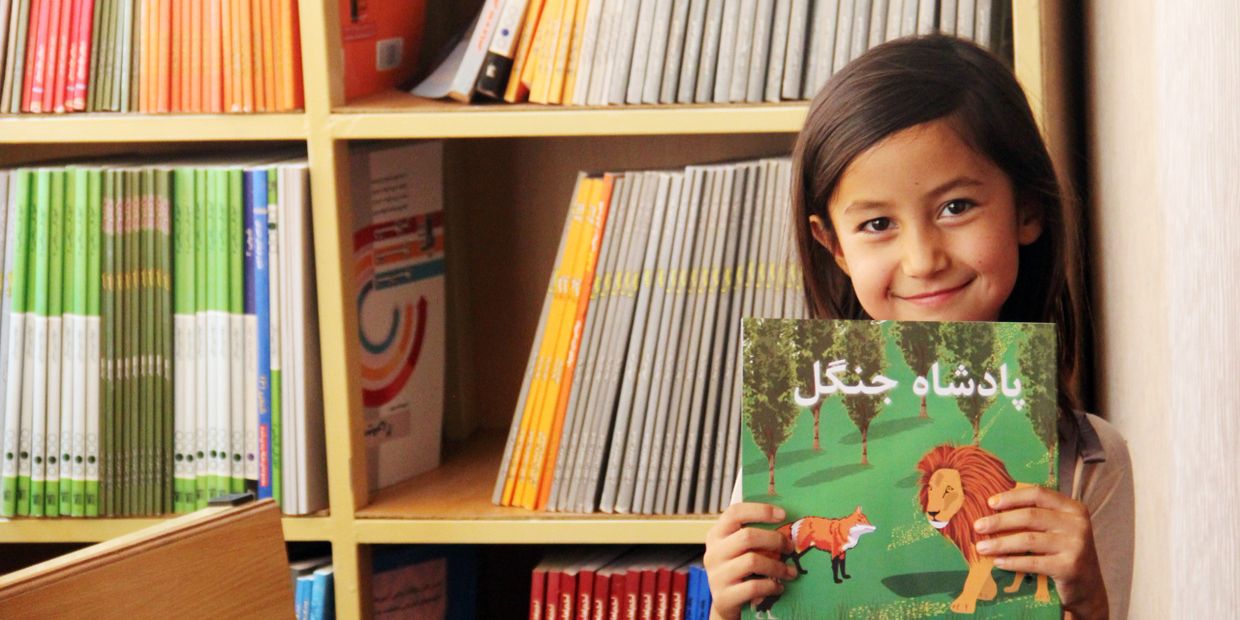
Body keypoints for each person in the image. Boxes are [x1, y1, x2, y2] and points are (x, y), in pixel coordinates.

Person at [703, 35, 1134, 620]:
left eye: (956, 207)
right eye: (878, 223)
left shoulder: (1091, 460)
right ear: (833, 246)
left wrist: (1088, 601)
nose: (923, 258)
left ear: (1027, 211)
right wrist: (729, 606)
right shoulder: (795, 455)